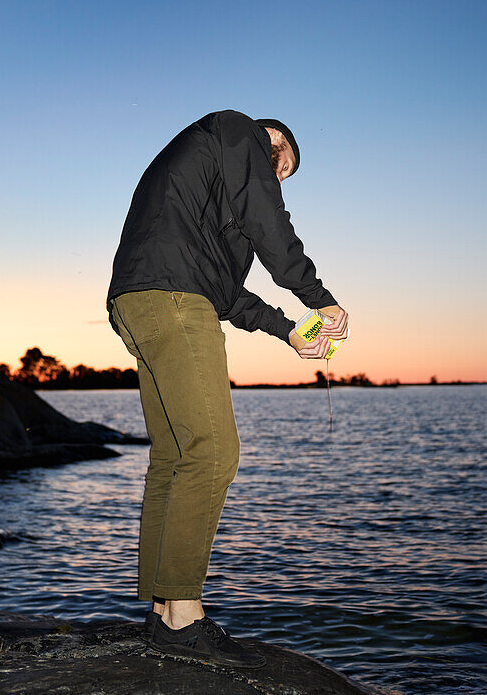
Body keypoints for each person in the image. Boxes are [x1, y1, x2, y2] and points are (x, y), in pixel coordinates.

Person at [106, 110, 348, 668]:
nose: (278, 176)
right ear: (273, 140)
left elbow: (228, 295)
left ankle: (164, 608)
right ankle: (186, 617)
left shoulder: (207, 210)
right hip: (171, 299)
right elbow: (270, 221)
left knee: (173, 456)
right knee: (214, 453)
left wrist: (291, 331)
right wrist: (319, 297)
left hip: (138, 302)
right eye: (281, 164)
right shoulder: (238, 130)